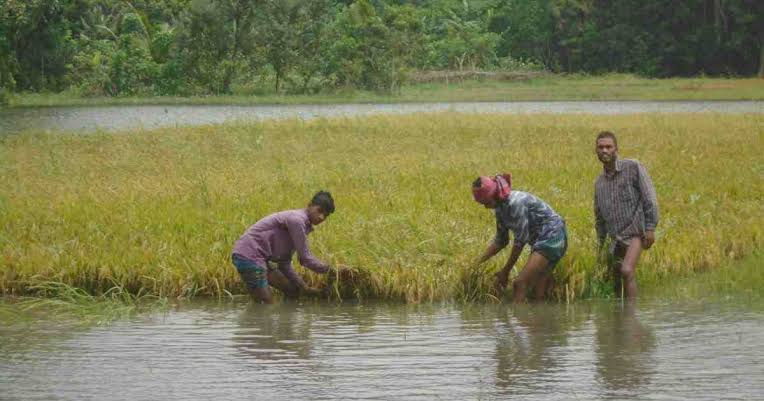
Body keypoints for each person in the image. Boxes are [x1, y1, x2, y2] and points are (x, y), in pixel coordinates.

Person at [231, 190, 343, 303]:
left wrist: (304, 287)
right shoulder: (297, 220)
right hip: (248, 256)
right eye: (319, 211)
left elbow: (284, 263)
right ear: (309, 205)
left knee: (292, 291)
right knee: (267, 303)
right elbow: (305, 259)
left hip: (259, 259)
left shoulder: (302, 225)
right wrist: (330, 269)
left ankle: (285, 320)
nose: (321, 217)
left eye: (325, 215)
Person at [472, 174, 568, 303]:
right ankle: (542, 319)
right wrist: (475, 264)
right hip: (539, 241)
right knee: (537, 290)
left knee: (520, 283)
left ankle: (518, 319)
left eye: (486, 202)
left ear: (495, 195)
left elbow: (520, 241)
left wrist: (505, 271)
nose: (486, 207)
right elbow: (501, 241)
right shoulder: (500, 209)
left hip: (552, 236)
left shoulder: (515, 203)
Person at [594, 131, 659, 299]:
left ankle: (630, 318)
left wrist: (650, 228)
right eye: (600, 147)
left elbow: (649, 197)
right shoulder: (599, 183)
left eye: (609, 147)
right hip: (615, 238)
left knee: (626, 270)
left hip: (635, 233)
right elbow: (599, 217)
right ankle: (619, 321)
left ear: (616, 149)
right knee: (615, 279)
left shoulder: (633, 167)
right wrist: (601, 245)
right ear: (596, 151)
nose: (605, 151)